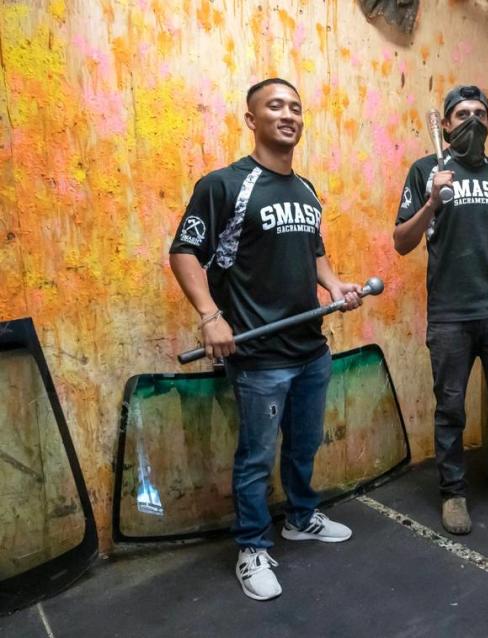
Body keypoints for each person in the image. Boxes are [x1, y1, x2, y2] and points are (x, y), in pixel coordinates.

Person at [169, 78, 362, 600]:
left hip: (310, 348)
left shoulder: (306, 190)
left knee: (303, 446)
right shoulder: (225, 185)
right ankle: (253, 545)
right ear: (252, 120)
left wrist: (335, 284)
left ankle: (301, 517)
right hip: (258, 357)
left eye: (296, 107)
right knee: (255, 459)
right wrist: (211, 315)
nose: (289, 115)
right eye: (275, 106)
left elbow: (313, 251)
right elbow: (183, 253)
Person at [393, 85, 488, 535]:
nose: (472, 120)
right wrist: (433, 201)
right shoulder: (425, 171)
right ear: (447, 124)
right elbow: (401, 242)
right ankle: (453, 494)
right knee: (451, 409)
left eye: (480, 113)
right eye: (462, 114)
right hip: (449, 316)